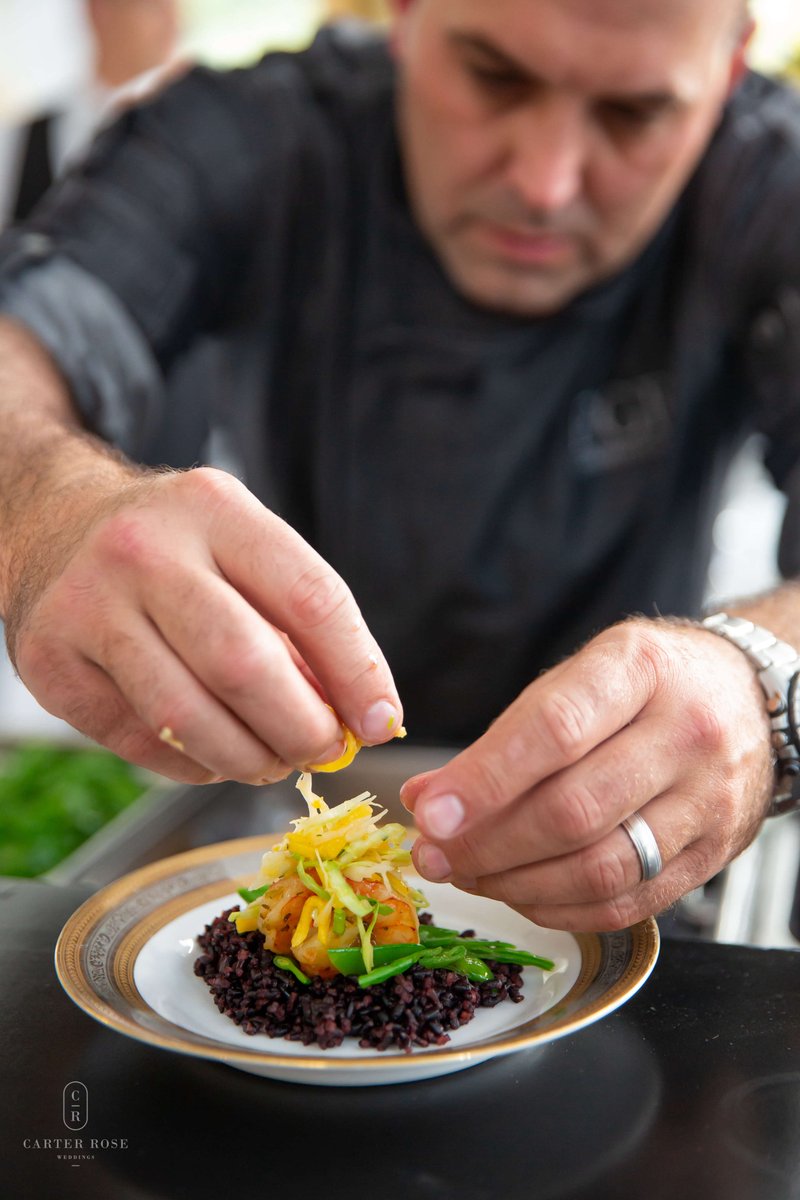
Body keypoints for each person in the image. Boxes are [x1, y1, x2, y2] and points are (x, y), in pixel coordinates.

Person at [0, 0, 797, 935]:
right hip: (283, 803)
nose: (545, 183)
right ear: (406, 14)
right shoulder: (254, 134)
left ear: (733, 65)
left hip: (640, 863)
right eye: (494, 76)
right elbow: (35, 329)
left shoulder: (769, 185)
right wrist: (47, 504)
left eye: (634, 114)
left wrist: (758, 677)